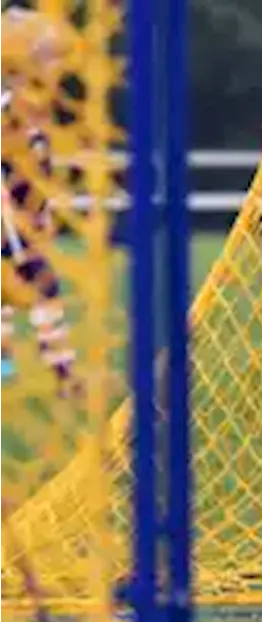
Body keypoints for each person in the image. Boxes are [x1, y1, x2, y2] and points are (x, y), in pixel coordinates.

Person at [0, 7, 79, 396]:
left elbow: (39, 172)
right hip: (9, 219)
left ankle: (5, 365)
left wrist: (43, 212)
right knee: (42, 286)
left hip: (25, 219)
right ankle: (64, 375)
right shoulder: (8, 109)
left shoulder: (35, 112)